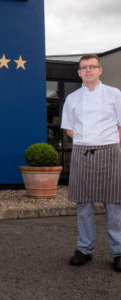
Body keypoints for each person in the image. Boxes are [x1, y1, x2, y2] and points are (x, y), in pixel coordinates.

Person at [61, 54, 121, 272]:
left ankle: (119, 252)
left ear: (100, 70)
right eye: (84, 67)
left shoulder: (115, 95)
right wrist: (85, 139)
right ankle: (84, 249)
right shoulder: (73, 99)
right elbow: (68, 127)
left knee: (114, 204)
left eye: (92, 67)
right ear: (79, 72)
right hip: (82, 152)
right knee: (83, 205)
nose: (88, 70)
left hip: (110, 152)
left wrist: (109, 141)